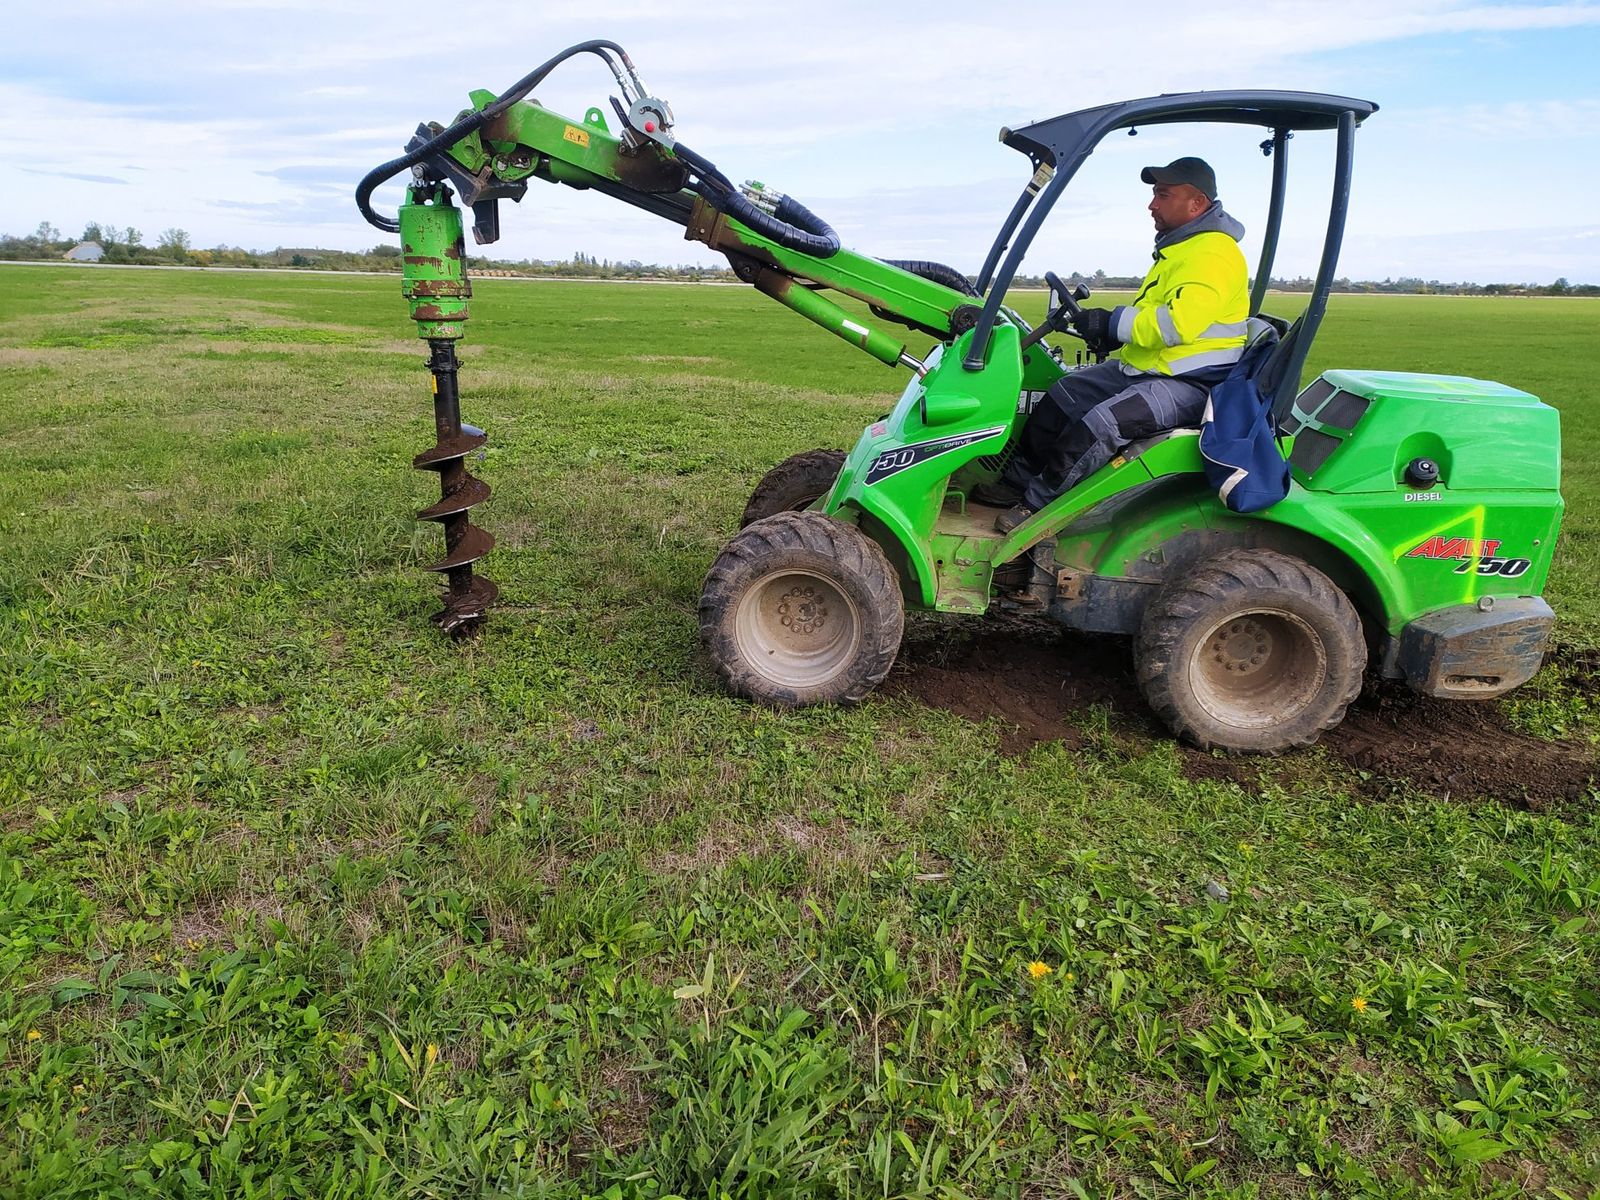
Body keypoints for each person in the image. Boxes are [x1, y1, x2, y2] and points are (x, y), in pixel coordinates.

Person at [976, 157, 1250, 532]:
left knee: (1103, 424)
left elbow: (1176, 325)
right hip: (1152, 367)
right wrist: (1106, 329)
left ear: (1196, 203)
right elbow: (1155, 316)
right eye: (1154, 194)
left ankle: (1036, 506)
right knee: (1065, 394)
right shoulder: (1183, 248)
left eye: (1163, 195)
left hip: (1192, 381)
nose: (1152, 204)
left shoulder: (1213, 254)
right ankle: (1015, 482)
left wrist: (1112, 321)